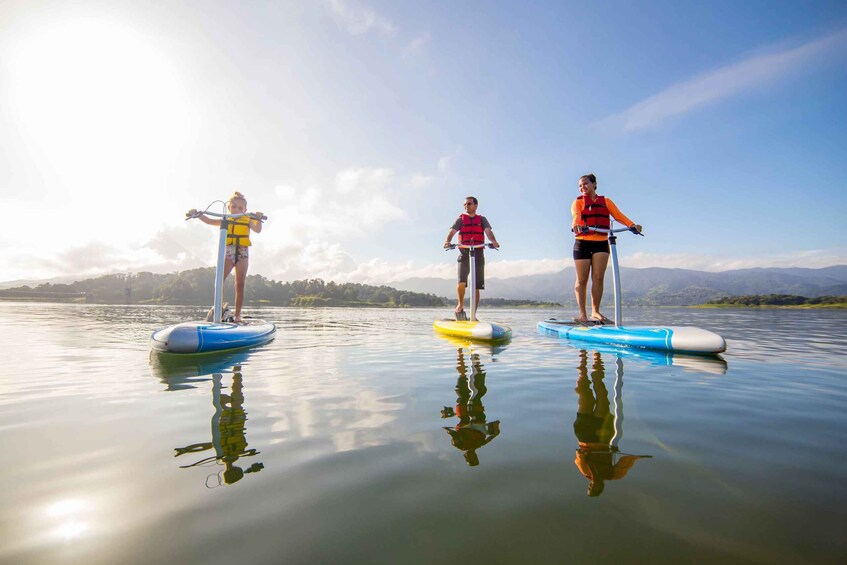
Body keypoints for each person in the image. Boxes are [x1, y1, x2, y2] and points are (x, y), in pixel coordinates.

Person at [571, 174, 641, 324]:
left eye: (585, 184)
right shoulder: (578, 202)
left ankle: (595, 312)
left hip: (601, 242)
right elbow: (576, 216)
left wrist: (632, 225)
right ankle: (582, 314)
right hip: (582, 242)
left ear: (594, 184)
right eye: (580, 186)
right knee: (582, 279)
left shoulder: (606, 202)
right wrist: (576, 224)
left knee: (598, 277)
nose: (582, 187)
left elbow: (618, 216)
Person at [189, 191, 263, 323]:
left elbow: (257, 230)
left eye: (240, 208)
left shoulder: (248, 219)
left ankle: (238, 315)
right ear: (229, 208)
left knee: (239, 284)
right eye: (234, 207)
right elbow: (209, 220)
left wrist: (258, 218)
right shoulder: (225, 219)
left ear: (245, 210)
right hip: (228, 253)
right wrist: (198, 214)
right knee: (219, 280)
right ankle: (218, 309)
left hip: (242, 254)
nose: (237, 210)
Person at [443, 196, 500, 321]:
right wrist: (447, 241)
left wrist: (493, 241)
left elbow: (488, 231)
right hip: (464, 252)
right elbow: (452, 231)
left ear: (476, 205)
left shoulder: (482, 219)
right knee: (461, 282)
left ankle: (473, 315)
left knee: (476, 286)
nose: (466, 206)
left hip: (478, 253)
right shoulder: (460, 220)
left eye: (469, 204)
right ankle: (461, 304)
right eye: (465, 204)